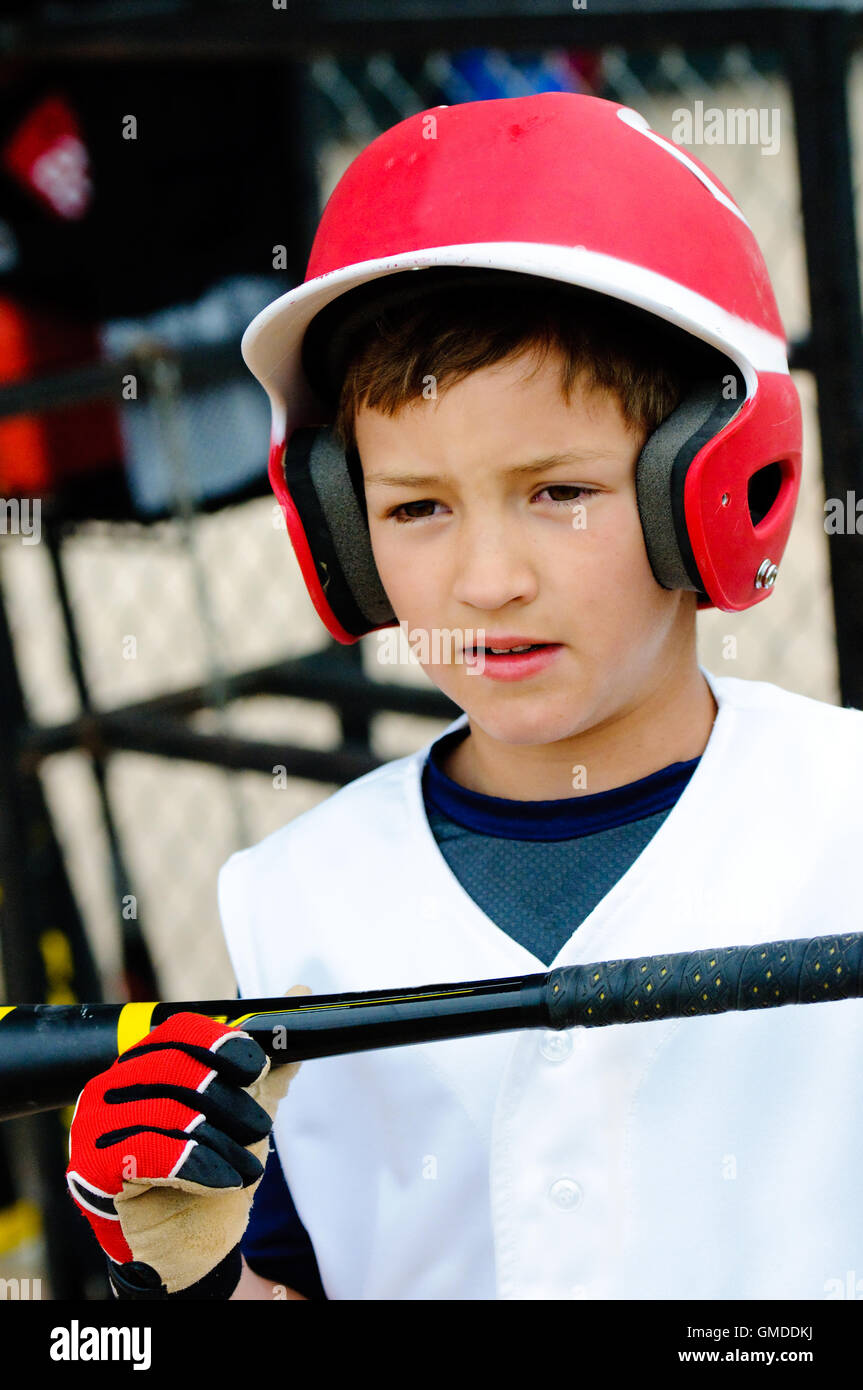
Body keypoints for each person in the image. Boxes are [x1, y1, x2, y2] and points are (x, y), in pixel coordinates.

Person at [67, 92, 863, 1301]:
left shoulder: (841, 817)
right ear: (338, 528)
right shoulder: (295, 902)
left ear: (709, 486)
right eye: (416, 508)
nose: (487, 582)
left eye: (559, 490)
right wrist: (195, 1274)